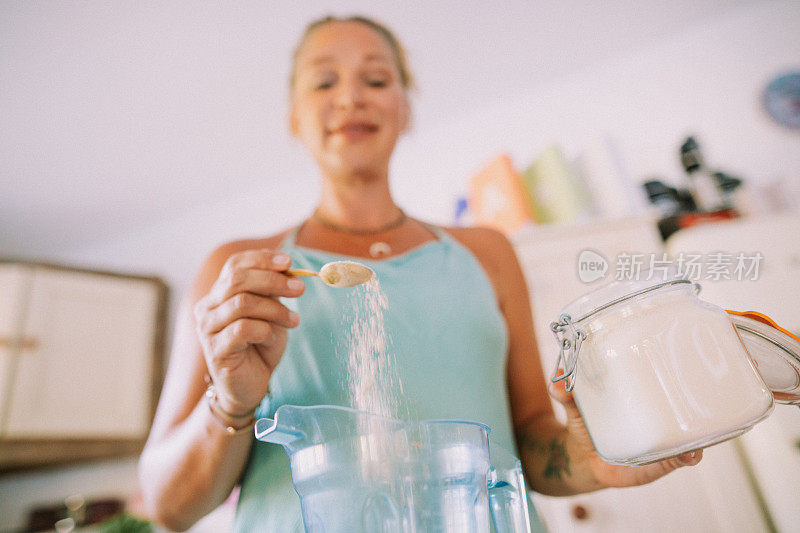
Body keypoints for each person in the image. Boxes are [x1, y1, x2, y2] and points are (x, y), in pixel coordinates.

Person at [138, 15, 703, 532]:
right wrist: (231, 402)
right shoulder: (238, 273)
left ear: (405, 108)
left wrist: (593, 462)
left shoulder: (486, 253)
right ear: (294, 116)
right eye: (324, 81)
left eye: (377, 80)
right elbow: (168, 507)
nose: (352, 96)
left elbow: (531, 440)